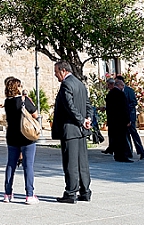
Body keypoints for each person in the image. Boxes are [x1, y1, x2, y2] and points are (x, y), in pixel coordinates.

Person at [51, 60, 94, 204]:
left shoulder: (66, 85)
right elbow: (88, 105)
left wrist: (82, 120)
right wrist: (88, 119)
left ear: (63, 71)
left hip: (70, 129)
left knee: (70, 163)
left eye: (56, 72)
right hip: (81, 130)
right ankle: (85, 191)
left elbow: (69, 107)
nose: (55, 75)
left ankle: (70, 192)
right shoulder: (80, 84)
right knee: (82, 162)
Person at [3, 77, 39, 204]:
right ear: (17, 87)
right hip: (26, 136)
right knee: (28, 165)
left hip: (12, 136)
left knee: (11, 164)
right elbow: (35, 114)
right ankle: (29, 194)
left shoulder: (7, 102)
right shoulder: (24, 100)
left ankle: (7, 193)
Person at [115, 75, 144, 160]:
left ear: (122, 83)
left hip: (130, 116)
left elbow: (134, 102)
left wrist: (126, 108)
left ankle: (141, 151)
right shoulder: (117, 92)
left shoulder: (129, 91)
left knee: (134, 134)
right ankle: (129, 152)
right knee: (125, 135)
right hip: (123, 117)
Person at [105, 78, 132, 162]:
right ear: (119, 85)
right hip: (121, 121)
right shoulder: (121, 94)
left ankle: (117, 155)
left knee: (115, 138)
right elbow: (125, 108)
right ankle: (122, 156)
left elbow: (109, 109)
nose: (123, 87)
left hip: (113, 121)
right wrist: (128, 120)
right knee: (122, 139)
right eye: (122, 85)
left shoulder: (110, 94)